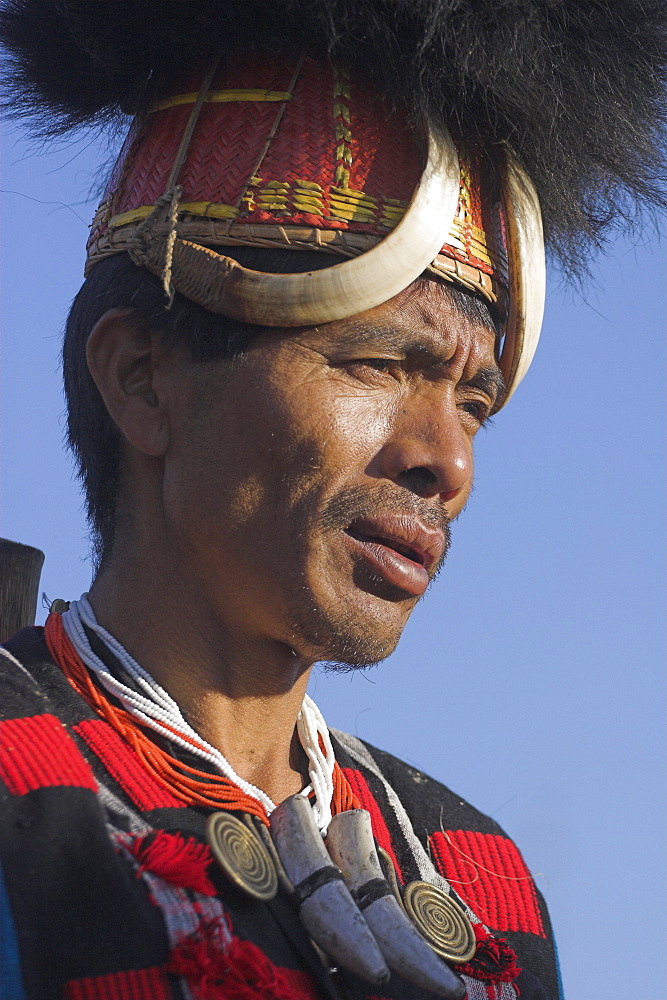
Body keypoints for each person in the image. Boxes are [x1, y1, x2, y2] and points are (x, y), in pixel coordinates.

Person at [1, 3, 665, 999]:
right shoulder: (20, 776)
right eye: (375, 365)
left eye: (473, 403)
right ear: (142, 378)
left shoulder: (475, 878)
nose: (447, 462)